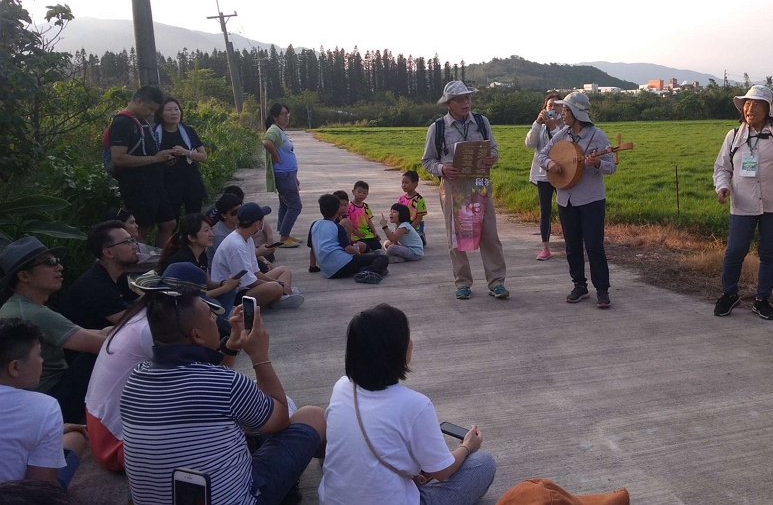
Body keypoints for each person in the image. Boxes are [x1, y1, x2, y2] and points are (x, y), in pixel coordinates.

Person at [120, 289, 326, 505]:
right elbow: (280, 419)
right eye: (211, 315)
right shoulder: (226, 384)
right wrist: (259, 356)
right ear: (197, 335)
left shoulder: (135, 379)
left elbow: (203, 383)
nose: (218, 319)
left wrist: (231, 347)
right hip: (242, 500)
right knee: (312, 416)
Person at [319, 304, 495, 505]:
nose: (411, 342)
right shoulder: (415, 405)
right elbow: (442, 472)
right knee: (483, 463)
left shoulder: (342, 386)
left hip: (331, 501)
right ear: (397, 351)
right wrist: (467, 446)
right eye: (407, 337)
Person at [84, 263, 226, 472]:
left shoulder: (143, 316)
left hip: (103, 427)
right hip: (117, 443)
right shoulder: (152, 330)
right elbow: (206, 384)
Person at [712, 85, 773, 320]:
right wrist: (722, 186)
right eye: (747, 104)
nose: (749, 107)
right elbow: (722, 167)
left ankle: (762, 299)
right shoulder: (734, 136)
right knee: (734, 252)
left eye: (756, 103)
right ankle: (729, 294)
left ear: (768, 109)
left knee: (769, 254)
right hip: (743, 203)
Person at [0, 237, 111, 424]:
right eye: (49, 263)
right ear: (24, 276)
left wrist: (111, 330)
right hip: (45, 396)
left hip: (33, 395)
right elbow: (101, 345)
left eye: (57, 262)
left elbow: (90, 333)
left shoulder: (25, 306)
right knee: (99, 357)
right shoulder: (32, 313)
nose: (59, 268)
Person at [420, 81, 509, 300]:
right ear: (449, 104)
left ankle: (497, 283)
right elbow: (427, 160)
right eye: (460, 99)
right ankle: (463, 283)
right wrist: (442, 168)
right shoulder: (438, 128)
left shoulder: (481, 122)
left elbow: (494, 148)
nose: (466, 102)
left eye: (467, 98)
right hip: (453, 187)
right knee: (456, 235)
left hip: (480, 185)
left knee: (489, 234)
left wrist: (492, 158)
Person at [538, 92, 615, 309]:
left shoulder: (597, 136)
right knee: (572, 246)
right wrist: (551, 165)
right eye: (563, 109)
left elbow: (611, 167)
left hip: (591, 199)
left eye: (566, 110)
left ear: (577, 113)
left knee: (593, 245)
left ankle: (602, 290)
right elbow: (542, 155)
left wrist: (597, 163)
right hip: (566, 199)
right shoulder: (562, 134)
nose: (562, 113)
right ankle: (579, 285)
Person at [0, 318, 87, 489]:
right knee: (75, 438)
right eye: (39, 354)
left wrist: (53, 431)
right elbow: (42, 489)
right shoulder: (44, 407)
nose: (42, 361)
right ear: (14, 368)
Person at [108, 84, 177, 248]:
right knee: (142, 228)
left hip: (155, 183)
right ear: (138, 101)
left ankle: (160, 260)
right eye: (150, 109)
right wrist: (154, 159)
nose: (152, 114)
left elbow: (146, 153)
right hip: (137, 185)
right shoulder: (122, 122)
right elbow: (118, 158)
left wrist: (163, 159)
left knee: (169, 223)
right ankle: (143, 267)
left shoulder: (142, 121)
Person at [211, 203, 304, 310]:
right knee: (275, 287)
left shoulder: (247, 239)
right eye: (262, 221)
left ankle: (280, 297)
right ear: (257, 224)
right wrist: (279, 285)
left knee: (283, 270)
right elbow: (250, 282)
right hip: (233, 294)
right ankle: (280, 296)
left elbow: (255, 272)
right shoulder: (236, 245)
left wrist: (279, 283)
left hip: (246, 286)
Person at [61, 221, 141, 331]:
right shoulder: (95, 286)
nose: (135, 246)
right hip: (91, 346)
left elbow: (143, 301)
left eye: (132, 240)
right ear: (108, 253)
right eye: (127, 242)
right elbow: (133, 324)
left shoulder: (118, 276)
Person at [158, 214, 243, 317]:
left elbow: (208, 283)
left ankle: (222, 322)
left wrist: (224, 283)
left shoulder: (201, 254)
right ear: (191, 238)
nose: (211, 234)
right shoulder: (184, 260)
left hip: (195, 298)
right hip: (176, 305)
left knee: (229, 291)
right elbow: (196, 297)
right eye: (206, 231)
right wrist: (225, 287)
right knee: (217, 301)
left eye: (211, 229)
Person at [153, 97, 209, 220]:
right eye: (169, 110)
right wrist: (165, 160)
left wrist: (186, 152)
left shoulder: (188, 131)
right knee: (171, 222)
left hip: (192, 181)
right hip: (168, 184)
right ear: (160, 114)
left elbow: (203, 157)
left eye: (176, 109)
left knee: (194, 219)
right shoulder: (154, 133)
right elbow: (151, 159)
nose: (174, 113)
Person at [311, 195, 389, 282]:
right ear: (337, 210)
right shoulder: (338, 227)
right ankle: (370, 273)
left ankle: (365, 270)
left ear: (321, 210)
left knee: (364, 263)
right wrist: (358, 254)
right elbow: (347, 248)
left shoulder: (314, 225)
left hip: (329, 272)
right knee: (383, 258)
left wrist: (313, 267)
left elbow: (312, 249)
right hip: (343, 264)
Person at [525, 93, 565, 261]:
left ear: (562, 109)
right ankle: (545, 247)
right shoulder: (540, 127)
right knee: (545, 211)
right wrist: (537, 123)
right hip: (543, 175)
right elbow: (529, 144)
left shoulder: (565, 126)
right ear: (544, 109)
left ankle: (570, 243)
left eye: (556, 105)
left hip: (563, 173)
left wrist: (553, 127)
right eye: (550, 106)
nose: (553, 108)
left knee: (566, 209)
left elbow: (562, 145)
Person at [262, 103, 302, 247]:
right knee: (295, 205)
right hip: (283, 175)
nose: (286, 116)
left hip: (288, 174)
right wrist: (275, 156)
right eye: (283, 114)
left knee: (284, 205)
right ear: (275, 117)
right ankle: (284, 238)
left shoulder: (280, 130)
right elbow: (266, 142)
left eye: (287, 113)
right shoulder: (274, 130)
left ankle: (284, 233)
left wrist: (295, 177)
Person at [209, 186, 277, 260]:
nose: (238, 214)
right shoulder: (219, 235)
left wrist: (264, 259)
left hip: (240, 259)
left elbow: (260, 219)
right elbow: (231, 259)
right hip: (228, 268)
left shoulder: (237, 221)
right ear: (223, 215)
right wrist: (258, 253)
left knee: (267, 258)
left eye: (240, 209)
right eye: (234, 212)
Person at [348, 181, 383, 253]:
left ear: (367, 194)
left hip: (367, 234)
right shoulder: (349, 207)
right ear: (353, 192)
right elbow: (347, 223)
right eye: (359, 192)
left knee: (377, 246)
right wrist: (356, 232)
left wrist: (375, 232)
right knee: (365, 247)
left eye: (364, 193)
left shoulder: (366, 206)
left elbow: (369, 221)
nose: (361, 195)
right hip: (355, 235)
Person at [398, 171, 428, 246]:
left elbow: (419, 218)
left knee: (413, 242)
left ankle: (421, 236)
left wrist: (409, 228)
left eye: (406, 183)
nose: (403, 185)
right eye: (402, 182)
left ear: (415, 184)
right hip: (403, 226)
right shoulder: (401, 199)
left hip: (414, 227)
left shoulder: (419, 200)